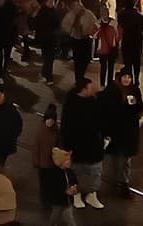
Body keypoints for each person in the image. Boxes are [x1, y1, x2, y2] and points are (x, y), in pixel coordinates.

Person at [60, 77, 105, 209]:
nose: (93, 89)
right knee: (76, 172)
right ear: (83, 89)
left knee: (95, 171)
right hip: (77, 146)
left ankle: (92, 194)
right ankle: (76, 195)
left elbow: (100, 121)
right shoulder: (70, 104)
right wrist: (68, 148)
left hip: (94, 145)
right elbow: (66, 128)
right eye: (90, 87)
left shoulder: (94, 101)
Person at [102, 69, 143, 194]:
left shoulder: (135, 90)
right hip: (114, 130)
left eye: (129, 77)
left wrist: (136, 105)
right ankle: (111, 181)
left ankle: (123, 182)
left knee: (126, 159)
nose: (127, 79)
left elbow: (140, 107)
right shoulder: (111, 90)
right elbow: (105, 108)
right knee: (112, 158)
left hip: (129, 131)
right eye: (124, 76)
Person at [62, 0, 98, 82]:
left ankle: (80, 75)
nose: (78, 7)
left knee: (86, 59)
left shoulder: (88, 13)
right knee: (78, 60)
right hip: (76, 39)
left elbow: (95, 24)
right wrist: (71, 30)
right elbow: (64, 24)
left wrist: (90, 32)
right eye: (75, 5)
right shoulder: (71, 14)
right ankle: (78, 78)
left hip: (86, 39)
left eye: (79, 5)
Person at [45, 147, 79, 226]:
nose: (70, 162)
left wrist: (74, 186)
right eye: (67, 160)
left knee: (67, 217)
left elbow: (74, 180)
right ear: (60, 163)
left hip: (67, 201)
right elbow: (53, 189)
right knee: (56, 215)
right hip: (59, 201)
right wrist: (66, 191)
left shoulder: (69, 171)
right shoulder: (54, 175)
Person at [94, 18, 119, 88]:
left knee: (110, 67)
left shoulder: (114, 23)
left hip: (110, 48)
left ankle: (108, 84)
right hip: (103, 48)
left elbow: (117, 36)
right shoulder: (97, 23)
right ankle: (103, 84)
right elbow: (95, 36)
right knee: (104, 67)